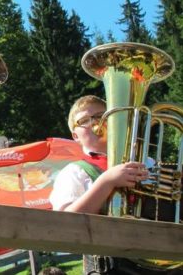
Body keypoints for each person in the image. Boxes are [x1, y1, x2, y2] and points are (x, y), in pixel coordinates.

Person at [49, 95, 154, 275]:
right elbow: (65, 223)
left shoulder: (148, 162)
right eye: (84, 121)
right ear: (75, 135)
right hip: (109, 268)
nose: (96, 123)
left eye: (101, 116)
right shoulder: (73, 172)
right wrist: (107, 181)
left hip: (159, 259)